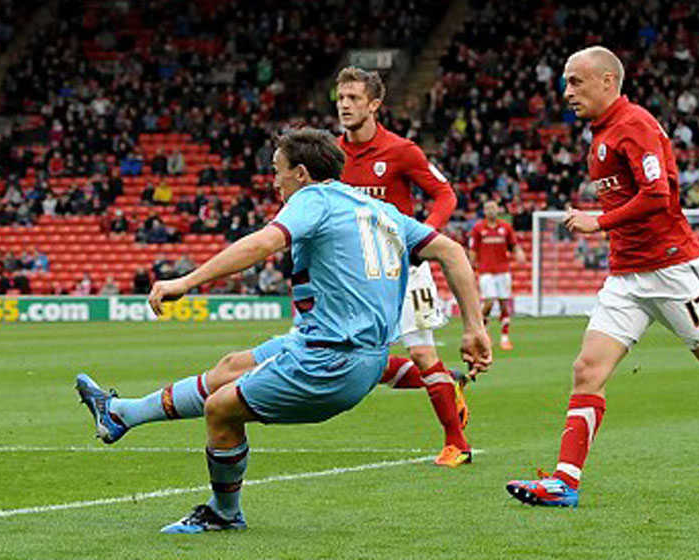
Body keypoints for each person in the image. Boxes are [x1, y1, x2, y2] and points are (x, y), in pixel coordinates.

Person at [76, 129, 491, 533]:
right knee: (230, 367)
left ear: (303, 174)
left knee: (220, 409)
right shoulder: (382, 211)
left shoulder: (313, 198)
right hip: (341, 348)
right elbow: (452, 251)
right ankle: (119, 414)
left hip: (330, 361)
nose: (274, 181)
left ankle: (224, 514)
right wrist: (474, 328)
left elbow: (262, 244)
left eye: (278, 171)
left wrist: (185, 282)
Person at [506, 46, 699, 508]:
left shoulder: (633, 124)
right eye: (565, 82)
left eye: (576, 81)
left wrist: (598, 220)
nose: (567, 91)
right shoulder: (600, 133)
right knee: (587, 369)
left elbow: (657, 195)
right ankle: (564, 482)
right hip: (626, 277)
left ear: (607, 81)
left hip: (673, 268)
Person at [335, 67, 471, 466]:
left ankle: (456, 444)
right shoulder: (331, 154)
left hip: (405, 270)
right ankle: (451, 384)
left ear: (374, 105)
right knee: (355, 362)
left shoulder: (401, 151)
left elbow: (444, 194)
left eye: (354, 99)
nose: (345, 105)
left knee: (423, 353)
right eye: (340, 98)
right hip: (356, 277)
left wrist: (423, 237)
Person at [469, 200, 526, 350]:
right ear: (484, 211)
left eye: (493, 208)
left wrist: (519, 253)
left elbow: (513, 245)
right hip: (485, 271)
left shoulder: (505, 227)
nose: (490, 210)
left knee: (504, 304)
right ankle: (483, 334)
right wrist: (470, 266)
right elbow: (473, 250)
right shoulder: (478, 228)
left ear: (498, 210)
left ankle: (505, 337)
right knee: (488, 302)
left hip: (503, 271)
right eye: (487, 208)